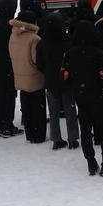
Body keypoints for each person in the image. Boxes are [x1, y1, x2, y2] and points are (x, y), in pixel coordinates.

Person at [62, 20, 103, 176]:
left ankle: (91, 163)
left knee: (85, 130)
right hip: (100, 97)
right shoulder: (98, 53)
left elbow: (65, 77)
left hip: (81, 97)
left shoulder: (70, 54)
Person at [36, 13, 79, 150]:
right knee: (70, 110)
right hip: (66, 79)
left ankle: (56, 139)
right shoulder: (67, 42)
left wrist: (48, 72)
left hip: (50, 80)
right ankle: (73, 138)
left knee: (53, 112)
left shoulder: (42, 43)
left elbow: (39, 64)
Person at [9, 10, 47, 143]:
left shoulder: (13, 35)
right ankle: (38, 135)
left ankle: (29, 134)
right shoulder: (34, 38)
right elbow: (37, 60)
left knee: (26, 107)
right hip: (34, 77)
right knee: (38, 109)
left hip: (19, 75)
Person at [0, 0, 22, 137]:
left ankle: (1, 121)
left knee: (0, 94)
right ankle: (7, 124)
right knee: (8, 95)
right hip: (8, 64)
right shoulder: (11, 25)